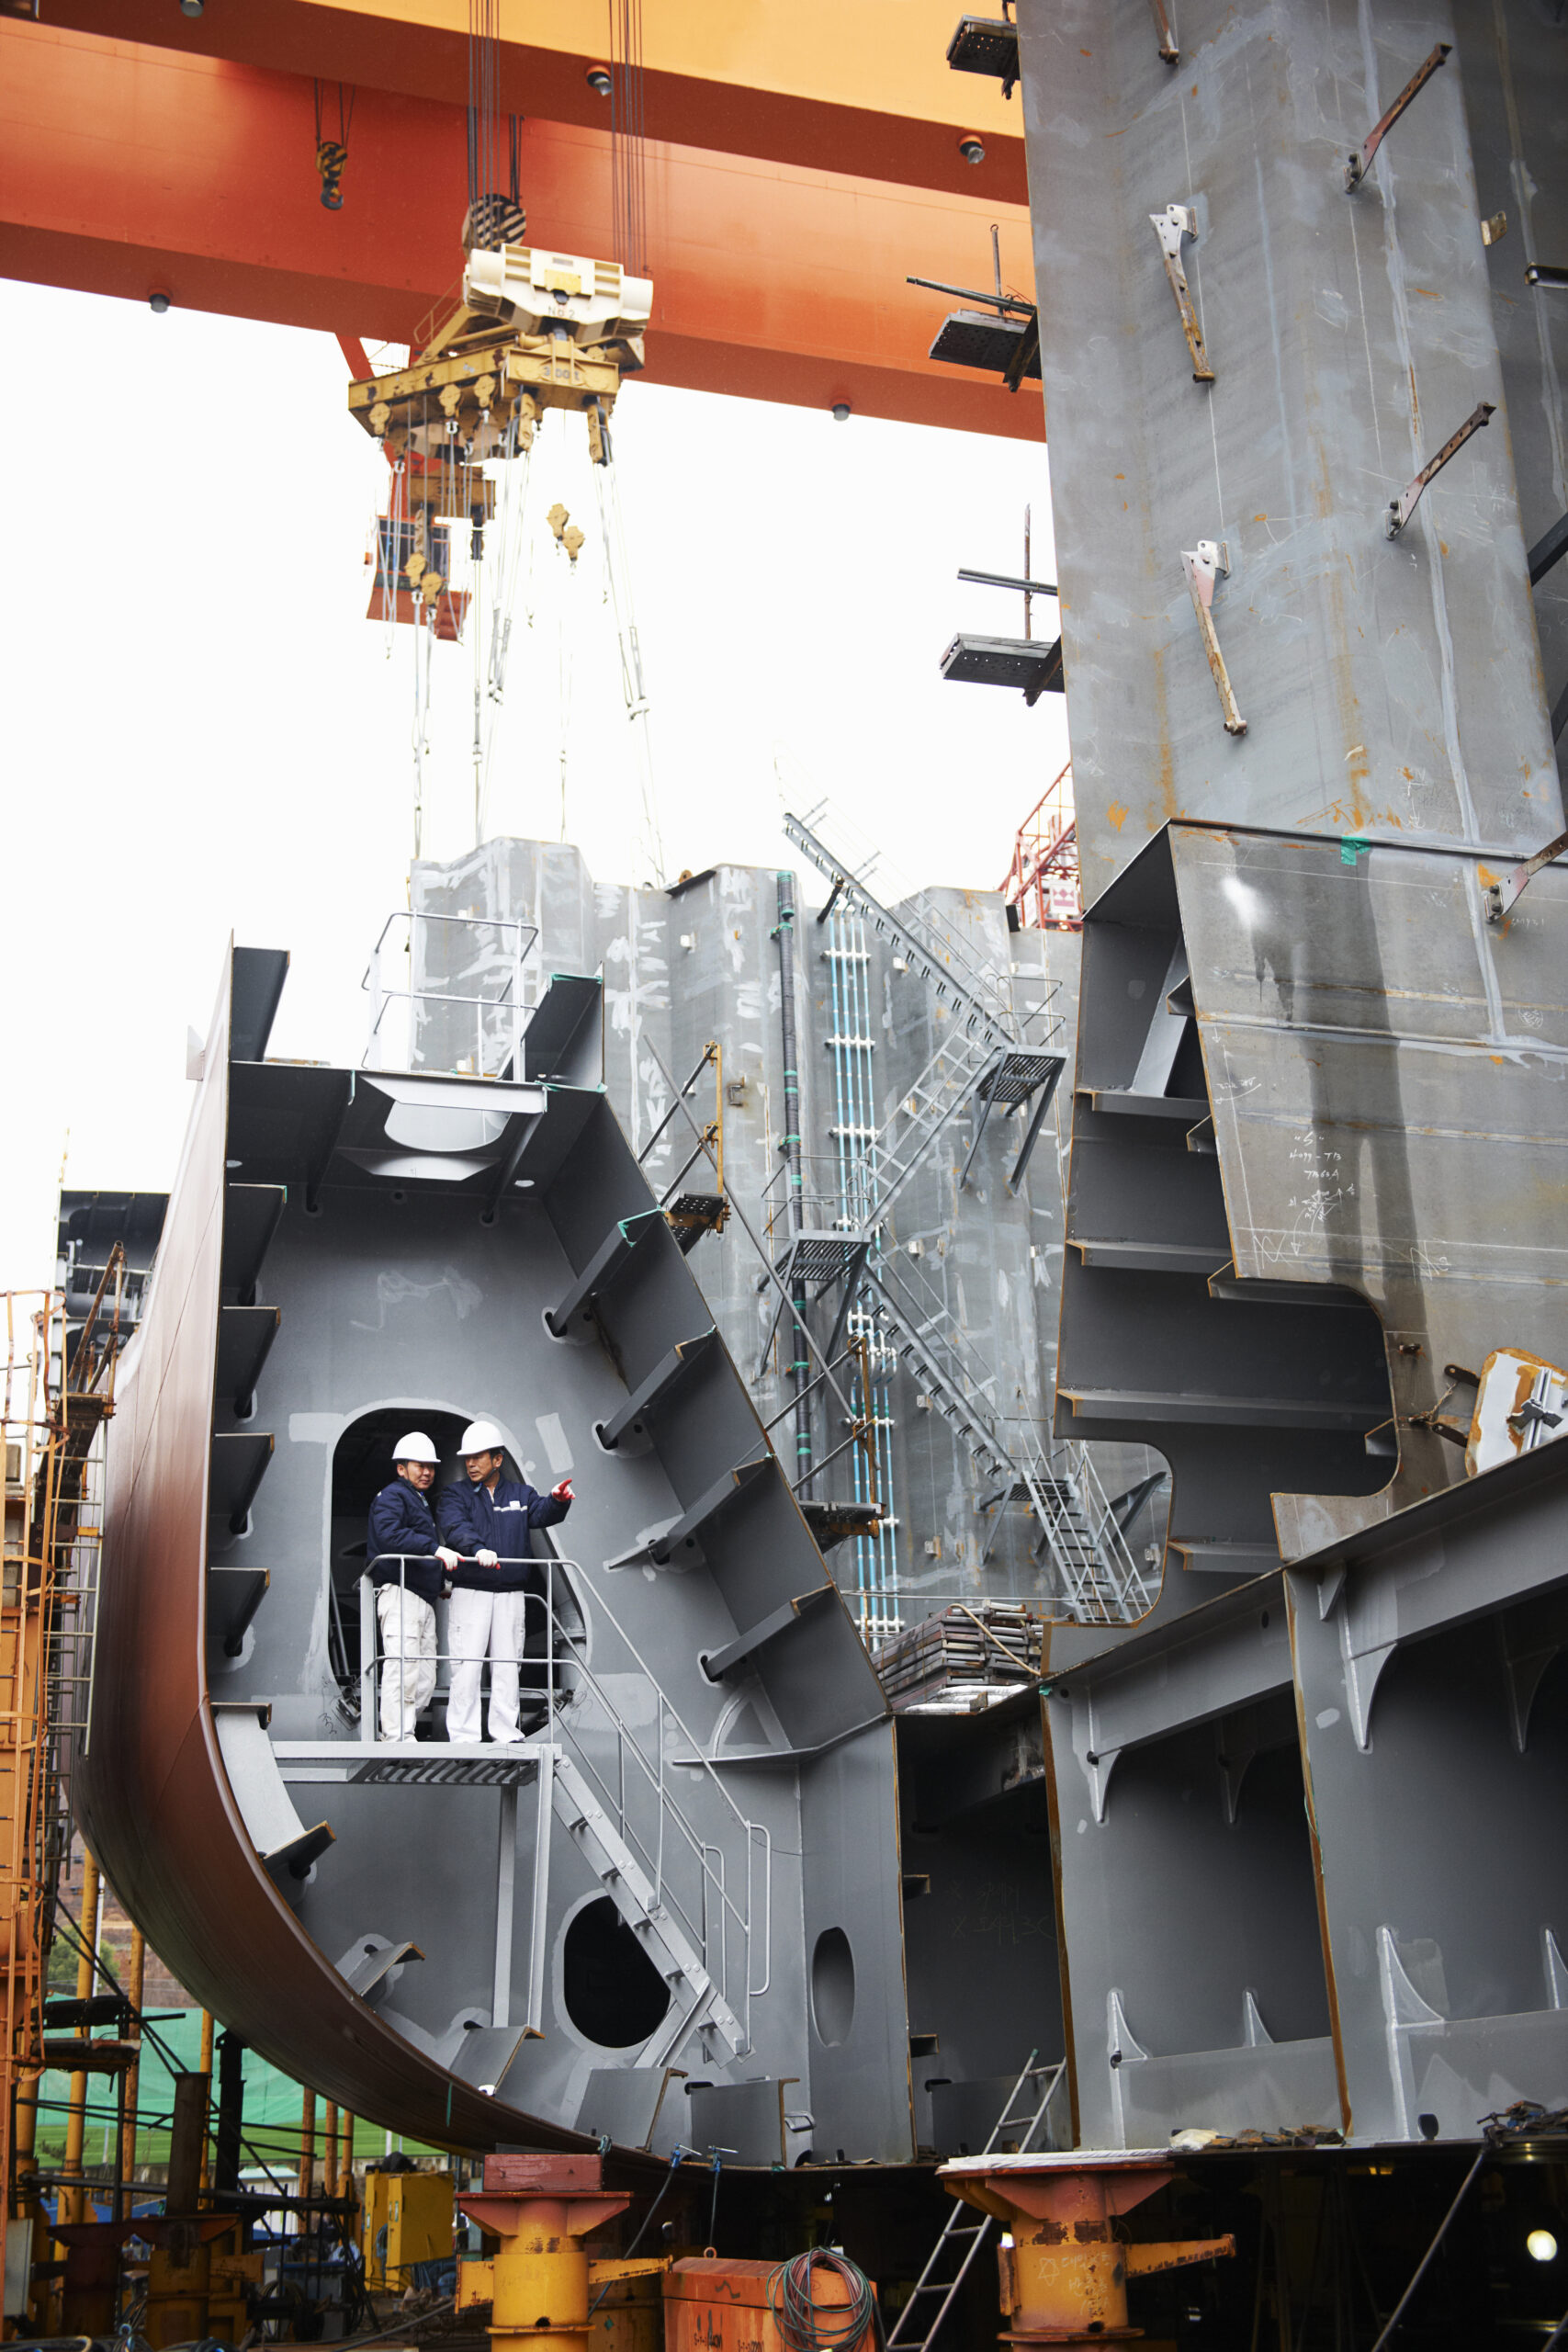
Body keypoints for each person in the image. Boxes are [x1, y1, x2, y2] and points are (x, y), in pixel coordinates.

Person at [435, 1417, 574, 1746]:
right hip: (471, 1591)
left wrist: (558, 1501)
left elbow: (540, 1513)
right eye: (467, 1458)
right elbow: (455, 1528)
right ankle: (465, 1737)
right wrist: (477, 1549)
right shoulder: (455, 1495)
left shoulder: (520, 1493)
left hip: (511, 1593)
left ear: (497, 1460)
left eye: (478, 1457)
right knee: (467, 1667)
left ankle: (505, 1734)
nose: (470, 1463)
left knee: (507, 1667)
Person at [367, 1432, 461, 1743]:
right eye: (419, 1466)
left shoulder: (417, 1500)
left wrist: (439, 1582)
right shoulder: (392, 1496)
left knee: (423, 1679)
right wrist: (434, 1550)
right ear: (401, 1468)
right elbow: (389, 1535)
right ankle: (396, 1736)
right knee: (403, 1670)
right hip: (400, 1594)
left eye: (431, 1467)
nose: (427, 1472)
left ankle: (400, 1731)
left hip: (422, 1597)